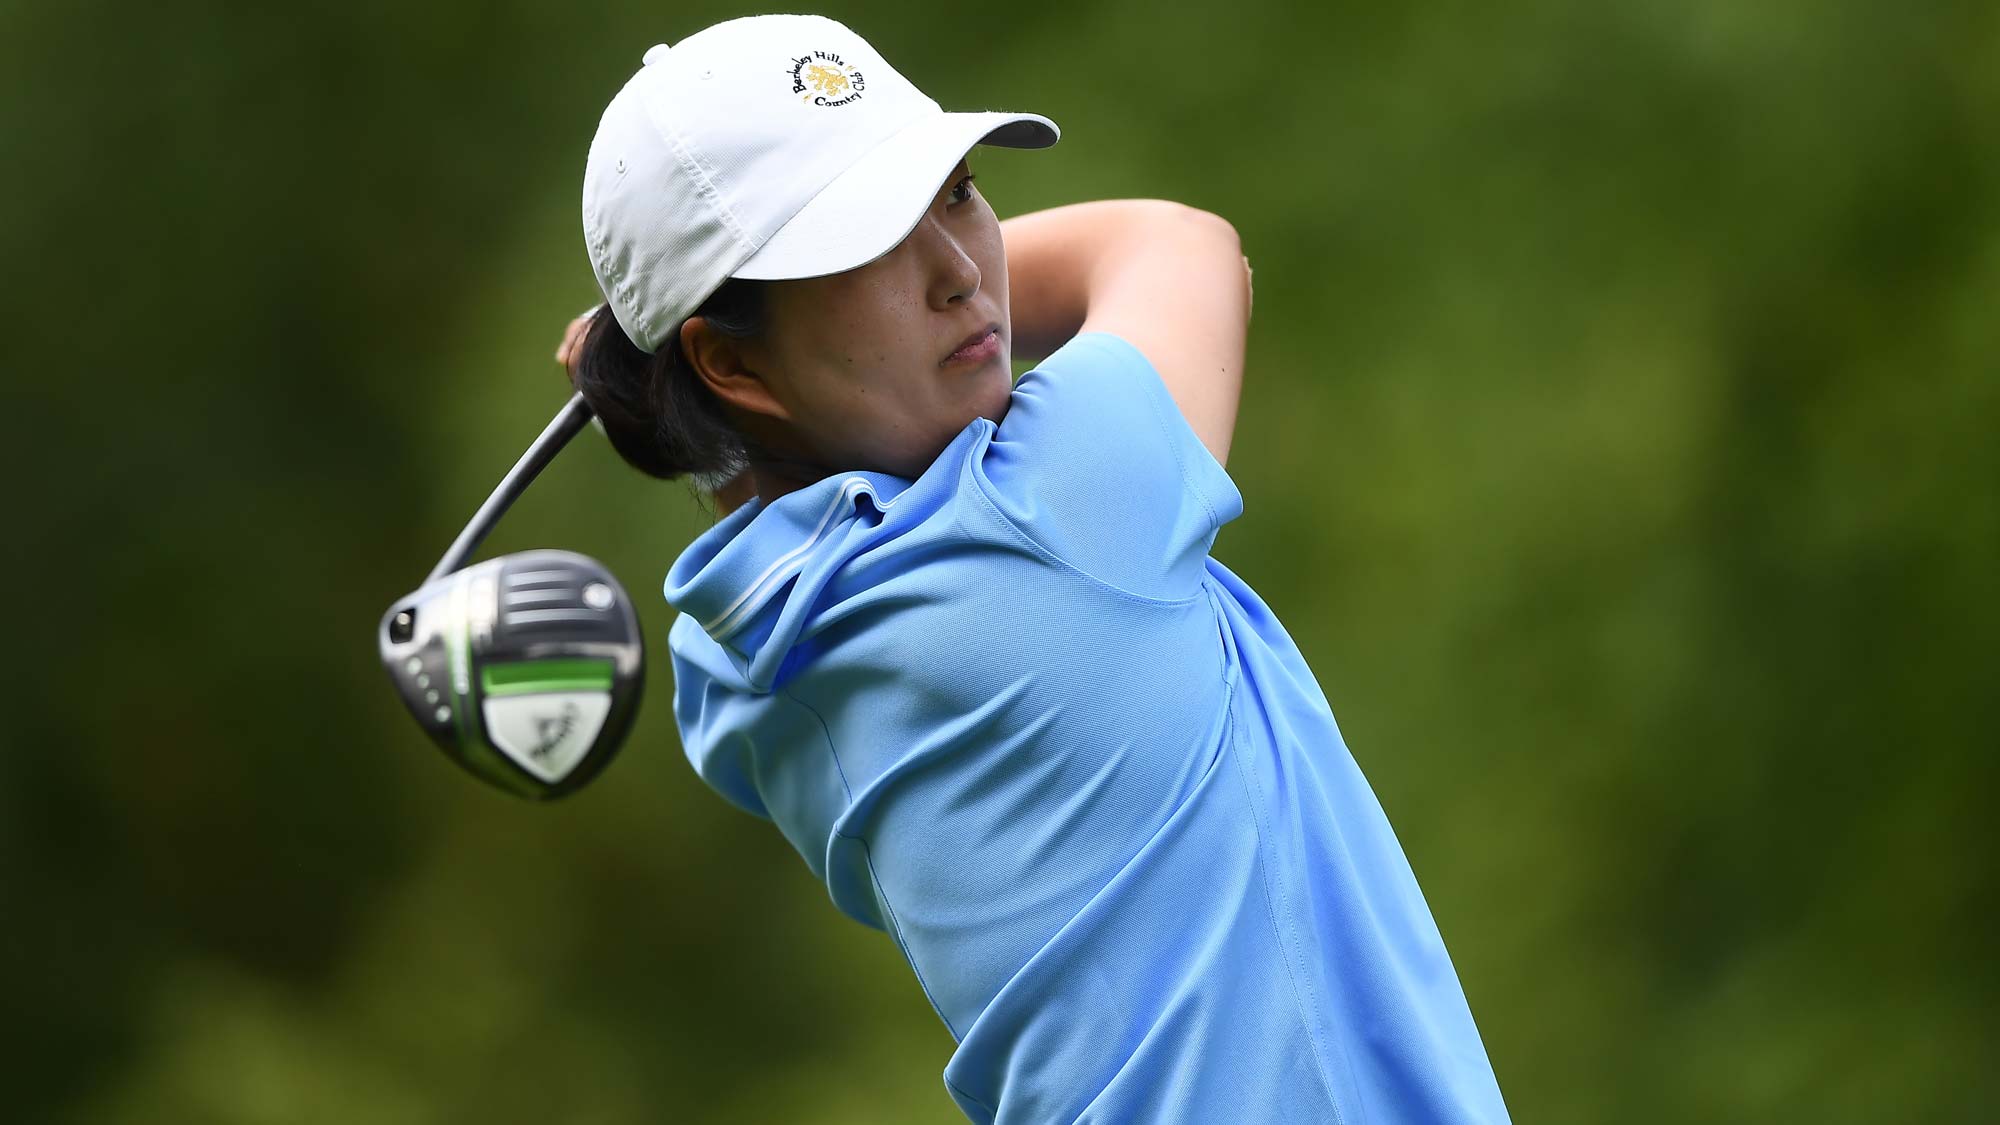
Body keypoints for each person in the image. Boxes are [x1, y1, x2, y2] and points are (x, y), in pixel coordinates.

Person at [556, 14, 1511, 1123]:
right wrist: (653, 358)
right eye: (867, 247)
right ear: (729, 363)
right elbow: (1177, 244)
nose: (960, 274)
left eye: (956, 192)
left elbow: (766, 459)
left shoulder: (732, 670)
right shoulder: (1043, 513)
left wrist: (666, 368)